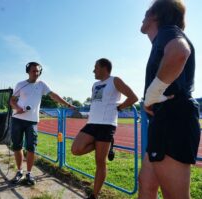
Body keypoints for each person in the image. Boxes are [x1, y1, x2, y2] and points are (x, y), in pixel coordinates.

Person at [138, 1, 201, 199]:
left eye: (146, 12)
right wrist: (151, 98)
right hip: (165, 118)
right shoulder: (162, 38)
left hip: (174, 118)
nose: (143, 16)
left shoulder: (167, 31)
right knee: (146, 185)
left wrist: (151, 95)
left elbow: (180, 52)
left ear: (156, 15)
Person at [71, 58, 138, 199]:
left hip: (107, 124)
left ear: (104, 67)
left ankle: (94, 195)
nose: (93, 70)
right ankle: (100, 144)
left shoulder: (115, 80)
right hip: (91, 123)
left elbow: (133, 97)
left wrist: (120, 107)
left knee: (100, 162)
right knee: (75, 149)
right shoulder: (95, 84)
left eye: (96, 67)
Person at [10, 61, 75, 185]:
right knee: (17, 147)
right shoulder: (20, 84)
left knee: (31, 148)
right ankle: (19, 171)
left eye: (38, 71)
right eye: (33, 71)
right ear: (28, 71)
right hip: (17, 119)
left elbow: (53, 95)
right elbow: (12, 101)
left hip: (32, 121)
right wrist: (17, 108)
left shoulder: (42, 85)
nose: (36, 73)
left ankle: (29, 174)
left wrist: (67, 104)